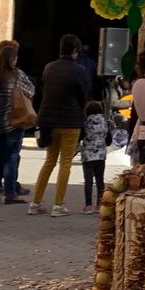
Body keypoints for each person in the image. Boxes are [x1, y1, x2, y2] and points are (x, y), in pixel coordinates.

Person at [30, 33, 91, 216]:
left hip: (49, 119)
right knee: (65, 163)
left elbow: (44, 90)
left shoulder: (49, 67)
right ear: (75, 50)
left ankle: (35, 202)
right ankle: (58, 205)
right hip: (70, 121)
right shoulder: (79, 70)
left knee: (49, 161)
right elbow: (83, 95)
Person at [0, 40, 32, 204]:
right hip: (13, 122)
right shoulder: (17, 75)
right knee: (12, 157)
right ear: (13, 59)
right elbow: (31, 90)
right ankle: (10, 193)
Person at [80, 99, 110, 215]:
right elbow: (108, 140)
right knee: (100, 180)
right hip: (101, 155)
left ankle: (88, 205)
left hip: (87, 155)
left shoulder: (85, 122)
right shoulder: (105, 121)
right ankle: (100, 204)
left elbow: (81, 135)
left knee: (88, 181)